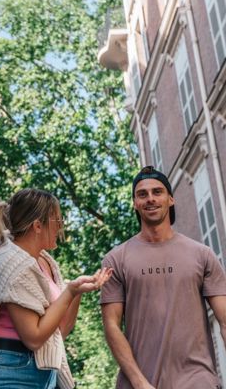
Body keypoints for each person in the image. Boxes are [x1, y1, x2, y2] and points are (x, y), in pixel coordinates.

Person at [0, 188, 112, 389]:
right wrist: (69, 292)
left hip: (40, 371)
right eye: (57, 221)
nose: (61, 227)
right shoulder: (11, 261)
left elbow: (59, 331)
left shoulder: (45, 262)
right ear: (38, 226)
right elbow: (34, 337)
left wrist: (76, 293)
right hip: (4, 370)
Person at [101, 165, 226, 389]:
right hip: (139, 384)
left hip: (198, 382)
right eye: (142, 194)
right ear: (135, 204)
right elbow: (111, 325)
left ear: (170, 199)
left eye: (157, 192)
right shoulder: (116, 259)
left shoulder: (202, 255)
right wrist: (139, 383)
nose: (150, 199)